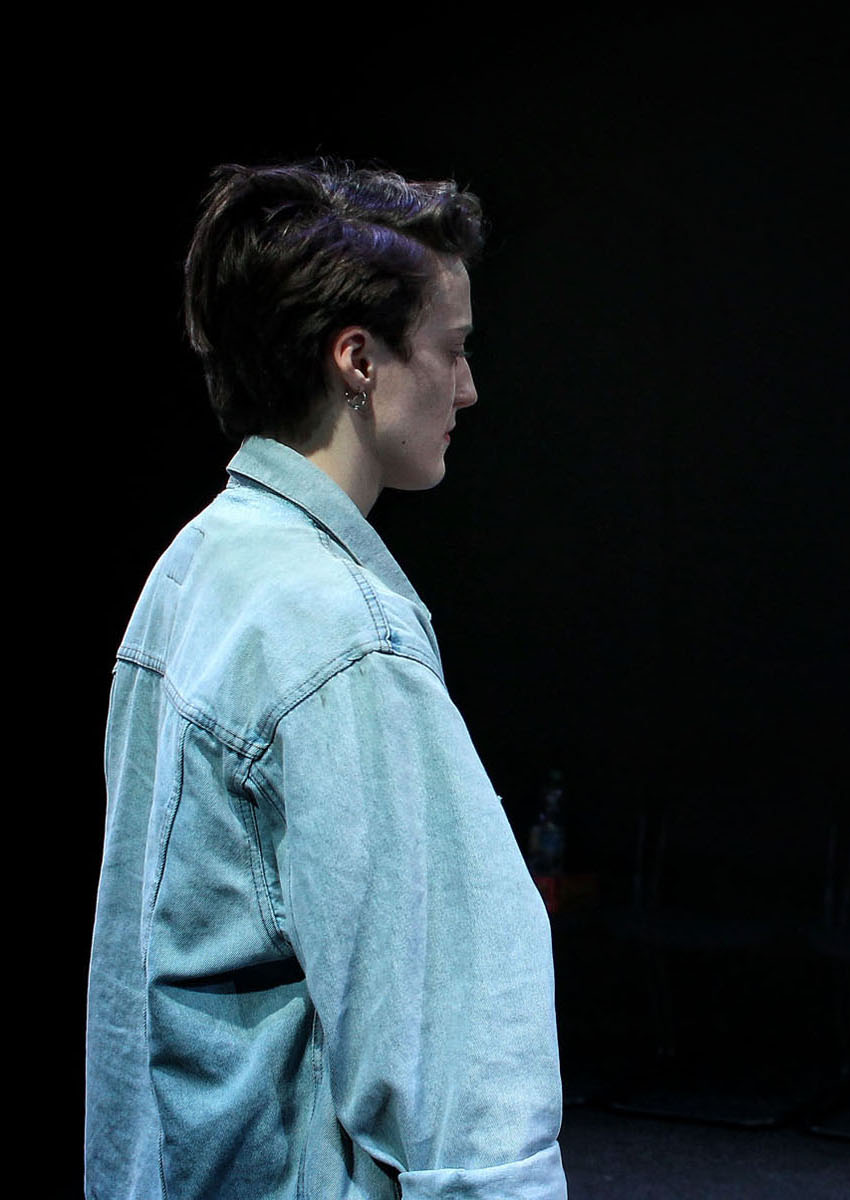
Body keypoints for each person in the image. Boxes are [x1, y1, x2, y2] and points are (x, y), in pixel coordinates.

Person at [86, 162, 566, 1198]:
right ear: (358, 359)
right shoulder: (343, 637)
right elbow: (460, 1082)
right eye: (453, 348)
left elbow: (138, 1013)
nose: (469, 389)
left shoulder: (193, 569)